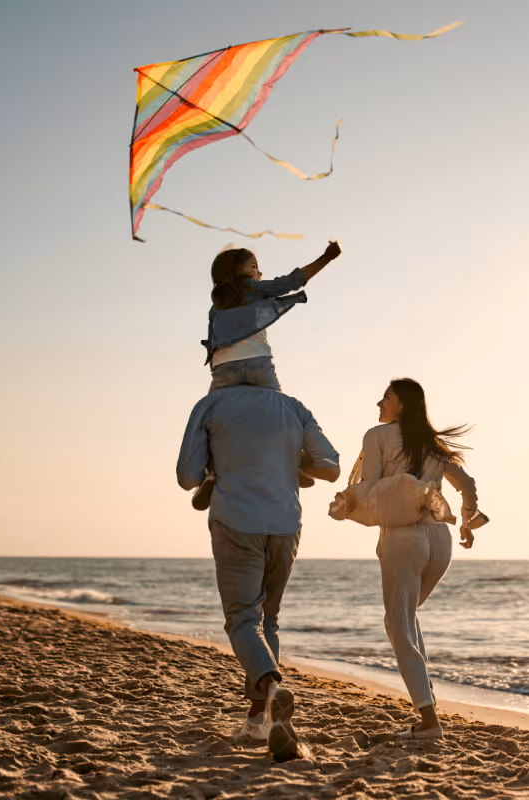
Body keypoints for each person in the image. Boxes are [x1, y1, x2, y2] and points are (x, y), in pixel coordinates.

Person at [176, 384, 340, 761]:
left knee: (242, 619)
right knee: (269, 618)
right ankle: (258, 723)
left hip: (237, 521)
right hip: (285, 525)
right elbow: (329, 467)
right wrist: (285, 462)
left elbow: (188, 477)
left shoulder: (213, 404)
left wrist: (220, 466)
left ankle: (271, 691)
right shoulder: (293, 408)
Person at [358, 378, 482, 741]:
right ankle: (428, 704)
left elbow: (370, 489)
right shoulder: (433, 446)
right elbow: (468, 484)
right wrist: (469, 521)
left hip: (404, 538)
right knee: (407, 618)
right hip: (441, 541)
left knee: (398, 625)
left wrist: (351, 501)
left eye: (386, 397)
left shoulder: (376, 437)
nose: (378, 402)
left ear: (403, 404)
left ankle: (429, 723)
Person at [192, 240, 342, 510]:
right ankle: (291, 461)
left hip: (224, 371)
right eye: (254, 268)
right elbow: (291, 281)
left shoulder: (216, 305)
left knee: (211, 421)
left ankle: (211, 473)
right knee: (279, 413)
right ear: (239, 273)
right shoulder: (253, 289)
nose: (259, 273)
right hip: (259, 366)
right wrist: (325, 258)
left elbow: (214, 341)